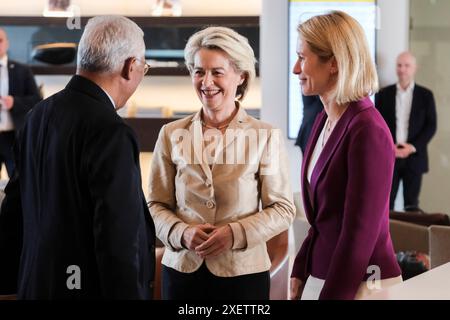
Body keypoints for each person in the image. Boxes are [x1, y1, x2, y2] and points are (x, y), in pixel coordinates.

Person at [0, 16, 155, 299]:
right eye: (144, 67)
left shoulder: (37, 115)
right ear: (130, 67)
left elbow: (14, 207)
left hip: (35, 285)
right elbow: (117, 238)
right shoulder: (111, 130)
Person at [148, 26, 295, 300]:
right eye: (199, 71)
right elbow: (155, 204)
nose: (206, 82)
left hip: (243, 277)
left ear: (240, 76)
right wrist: (181, 233)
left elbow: (283, 209)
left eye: (217, 72)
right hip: (182, 275)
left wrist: (235, 233)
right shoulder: (170, 133)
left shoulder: (264, 136)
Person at [289, 11, 402, 300]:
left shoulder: (368, 130)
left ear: (335, 63)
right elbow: (323, 219)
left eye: (303, 57)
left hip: (364, 285)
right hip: (323, 276)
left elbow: (358, 237)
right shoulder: (323, 121)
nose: (295, 68)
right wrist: (300, 268)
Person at [375, 52, 437, 212]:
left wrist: (412, 147)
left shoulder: (426, 95)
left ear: (415, 68)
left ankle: (410, 237)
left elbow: (431, 126)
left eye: (407, 65)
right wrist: (389, 148)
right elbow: (377, 126)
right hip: (390, 156)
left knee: (412, 205)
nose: (402, 69)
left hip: (415, 158)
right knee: (386, 204)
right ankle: (387, 237)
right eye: (399, 65)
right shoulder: (383, 94)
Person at [0, 27, 42, 177]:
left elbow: (37, 100)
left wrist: (14, 102)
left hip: (13, 137)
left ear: (7, 43)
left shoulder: (22, 70)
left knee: (17, 183)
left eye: (0, 40)